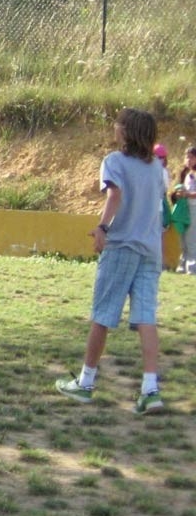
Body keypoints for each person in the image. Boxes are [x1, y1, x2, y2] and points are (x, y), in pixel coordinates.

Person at [56, 108, 169, 414]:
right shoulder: (157, 167)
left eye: (118, 124)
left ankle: (86, 382)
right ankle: (150, 390)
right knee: (146, 317)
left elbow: (114, 195)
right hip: (150, 248)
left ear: (127, 132)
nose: (114, 127)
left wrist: (103, 227)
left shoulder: (114, 162)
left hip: (122, 245)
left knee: (103, 314)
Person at [172, 146, 196, 274]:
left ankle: (192, 266)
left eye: (191, 157)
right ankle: (183, 263)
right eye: (186, 157)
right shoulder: (186, 173)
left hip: (193, 207)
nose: (188, 160)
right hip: (184, 208)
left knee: (191, 237)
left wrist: (187, 194)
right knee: (182, 235)